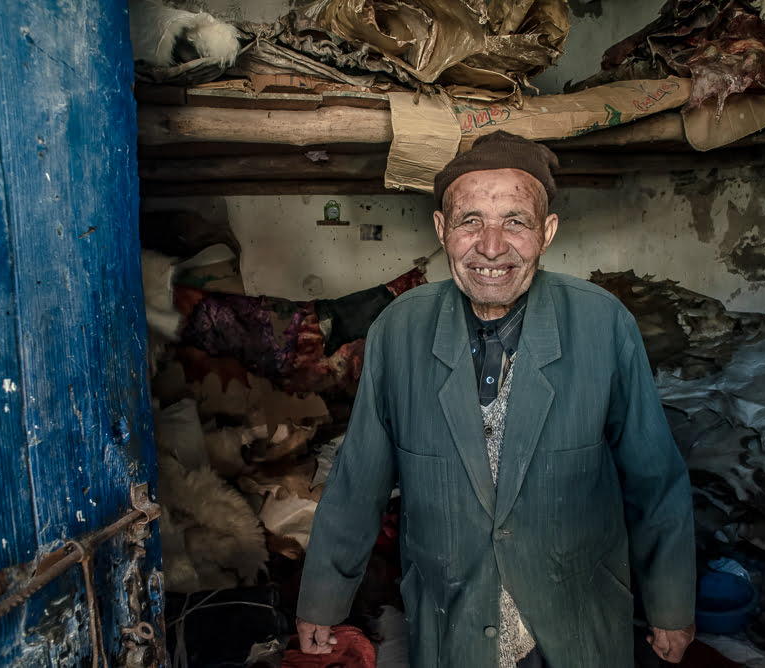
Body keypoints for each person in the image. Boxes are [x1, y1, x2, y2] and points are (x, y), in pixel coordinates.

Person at [295, 130, 696, 667]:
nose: (490, 246)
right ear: (442, 229)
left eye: (515, 221)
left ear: (547, 232)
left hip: (575, 617)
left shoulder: (603, 324)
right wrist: (323, 599)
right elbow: (357, 479)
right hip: (452, 619)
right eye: (470, 221)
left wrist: (671, 603)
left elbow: (655, 477)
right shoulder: (399, 330)